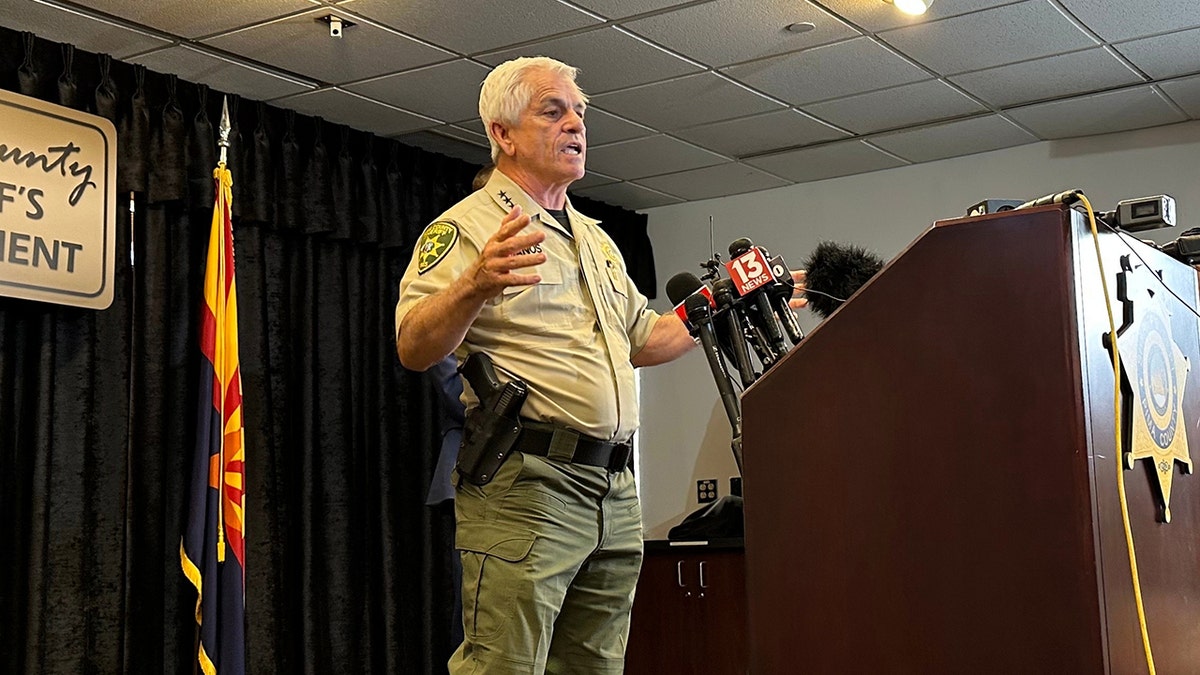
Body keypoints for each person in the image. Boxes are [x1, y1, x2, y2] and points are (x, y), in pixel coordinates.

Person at [395, 56, 696, 673]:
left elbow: (645, 338)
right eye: (553, 111)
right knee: (504, 665)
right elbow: (413, 344)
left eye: (580, 113)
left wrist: (717, 308)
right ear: (502, 134)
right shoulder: (467, 227)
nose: (575, 125)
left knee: (593, 667)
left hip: (614, 490)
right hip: (528, 483)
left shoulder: (596, 237)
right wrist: (474, 285)